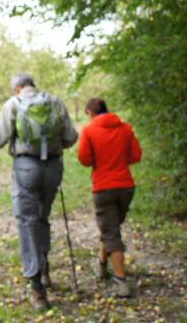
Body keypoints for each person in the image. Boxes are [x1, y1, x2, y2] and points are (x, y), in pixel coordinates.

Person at [0, 73, 78, 310]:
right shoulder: (54, 101)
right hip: (53, 168)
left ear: (16, 88)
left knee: (27, 223)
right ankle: (45, 268)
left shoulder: (13, 104)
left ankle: (37, 289)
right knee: (42, 218)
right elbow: (70, 137)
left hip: (26, 168)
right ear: (33, 85)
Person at [77, 98, 141, 298]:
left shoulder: (89, 131)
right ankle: (102, 265)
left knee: (111, 232)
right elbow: (136, 156)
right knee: (111, 228)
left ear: (90, 112)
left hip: (103, 188)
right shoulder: (125, 128)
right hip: (126, 187)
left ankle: (121, 281)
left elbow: (84, 160)